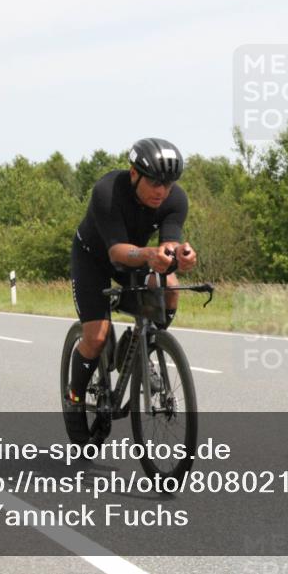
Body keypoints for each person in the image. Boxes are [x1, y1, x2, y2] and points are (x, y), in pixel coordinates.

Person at [67, 138, 197, 406]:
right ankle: (74, 398)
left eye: (168, 184)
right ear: (135, 174)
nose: (162, 191)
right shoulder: (108, 190)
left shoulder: (176, 199)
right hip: (94, 258)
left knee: (170, 286)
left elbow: (169, 242)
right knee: (97, 337)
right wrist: (150, 254)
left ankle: (145, 344)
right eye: (155, 182)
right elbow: (115, 252)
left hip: (134, 258)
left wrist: (180, 254)